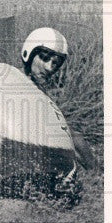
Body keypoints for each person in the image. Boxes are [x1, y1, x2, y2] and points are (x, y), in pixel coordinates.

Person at [20, 27, 91, 168]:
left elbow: (65, 132)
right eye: (44, 58)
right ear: (29, 53)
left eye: (55, 63)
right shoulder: (14, 82)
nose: (49, 68)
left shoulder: (38, 90)